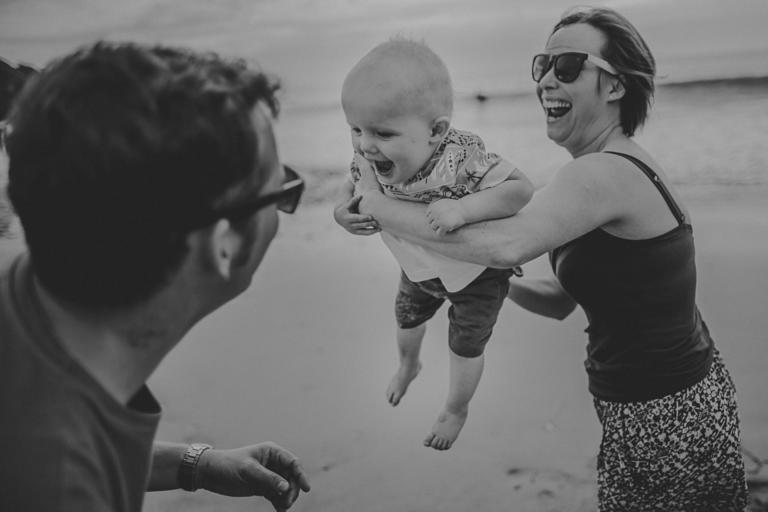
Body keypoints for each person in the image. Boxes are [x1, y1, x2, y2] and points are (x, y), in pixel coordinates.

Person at [352, 8, 748, 509]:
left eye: (566, 67)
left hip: (666, 412)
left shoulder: (604, 172)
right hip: (665, 401)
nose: (545, 81)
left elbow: (507, 245)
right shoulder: (601, 174)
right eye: (541, 65)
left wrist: (377, 206)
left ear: (616, 87)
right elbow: (559, 298)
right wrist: (484, 282)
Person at [0, 42, 311, 512]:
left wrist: (195, 464)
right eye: (283, 191)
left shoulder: (25, 291)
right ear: (222, 246)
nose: (284, 205)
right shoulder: (60, 490)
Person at [334, 39, 533, 451]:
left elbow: (520, 189)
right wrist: (343, 214)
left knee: (465, 345)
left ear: (436, 131)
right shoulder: (368, 158)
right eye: (356, 129)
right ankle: (409, 365)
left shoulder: (461, 156)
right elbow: (350, 185)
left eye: (382, 133)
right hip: (419, 269)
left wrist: (465, 209)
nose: (366, 145)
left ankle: (456, 408)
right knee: (406, 321)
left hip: (477, 276)